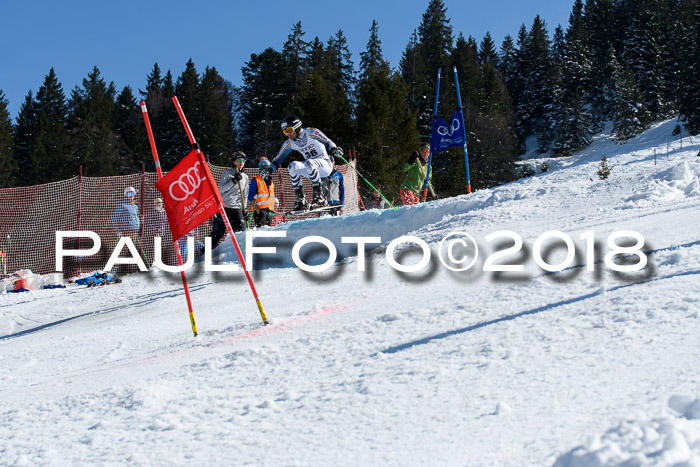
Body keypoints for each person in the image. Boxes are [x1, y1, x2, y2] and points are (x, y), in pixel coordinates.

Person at [271, 115, 342, 211]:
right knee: (292, 166)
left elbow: (327, 141)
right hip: (311, 169)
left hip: (325, 166)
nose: (288, 134)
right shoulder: (290, 143)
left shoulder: (311, 133)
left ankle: (319, 197)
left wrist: (334, 149)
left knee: (309, 162)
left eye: (289, 131)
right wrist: (269, 170)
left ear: (296, 128)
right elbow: (279, 158)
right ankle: (302, 200)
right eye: (285, 132)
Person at [218, 151, 249, 233]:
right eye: (239, 160)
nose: (241, 162)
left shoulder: (245, 177)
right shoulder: (227, 173)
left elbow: (245, 195)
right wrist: (234, 181)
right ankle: (207, 246)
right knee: (217, 233)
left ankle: (237, 246)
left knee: (241, 232)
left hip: (237, 208)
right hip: (225, 207)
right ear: (234, 161)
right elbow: (220, 189)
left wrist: (244, 209)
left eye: (243, 160)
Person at [247, 157, 279, 228]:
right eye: (265, 169)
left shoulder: (271, 183)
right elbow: (250, 196)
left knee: (268, 231)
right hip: (260, 210)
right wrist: (257, 209)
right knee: (261, 230)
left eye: (268, 169)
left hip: (270, 210)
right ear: (261, 169)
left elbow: (270, 196)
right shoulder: (256, 180)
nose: (267, 171)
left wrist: (274, 205)